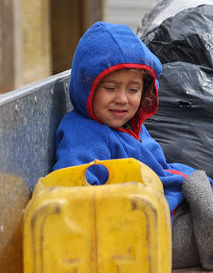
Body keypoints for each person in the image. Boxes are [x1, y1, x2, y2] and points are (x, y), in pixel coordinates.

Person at [53, 21, 202, 214]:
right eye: (110, 88)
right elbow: (75, 195)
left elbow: (161, 170)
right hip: (145, 227)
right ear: (87, 87)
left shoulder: (131, 126)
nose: (122, 99)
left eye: (133, 89)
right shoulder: (83, 134)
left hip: (163, 208)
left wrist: (195, 185)